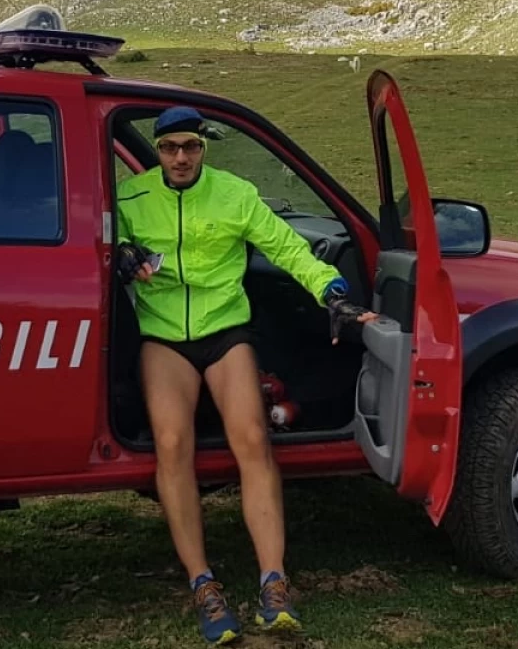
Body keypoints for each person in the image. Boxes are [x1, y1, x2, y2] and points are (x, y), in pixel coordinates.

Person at [114, 105, 374, 644]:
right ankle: (203, 584)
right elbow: (99, 243)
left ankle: (274, 583)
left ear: (203, 148)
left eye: (190, 147)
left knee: (253, 439)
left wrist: (334, 294)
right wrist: (119, 253)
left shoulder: (235, 193)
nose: (180, 157)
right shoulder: (131, 199)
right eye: (169, 148)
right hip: (163, 336)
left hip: (225, 331)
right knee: (171, 442)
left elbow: (287, 247)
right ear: (158, 152)